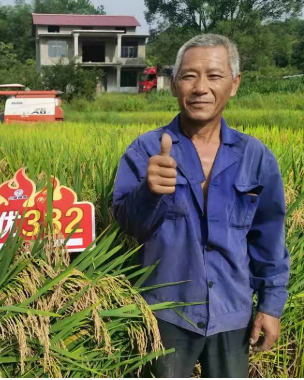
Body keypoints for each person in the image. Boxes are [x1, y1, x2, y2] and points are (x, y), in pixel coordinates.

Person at [113, 34, 290, 378]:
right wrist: (150, 192)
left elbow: (268, 238)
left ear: (234, 84)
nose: (200, 88)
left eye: (214, 75)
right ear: (174, 84)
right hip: (165, 313)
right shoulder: (146, 150)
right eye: (189, 76)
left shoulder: (256, 157)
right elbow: (128, 225)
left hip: (232, 312)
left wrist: (271, 306)